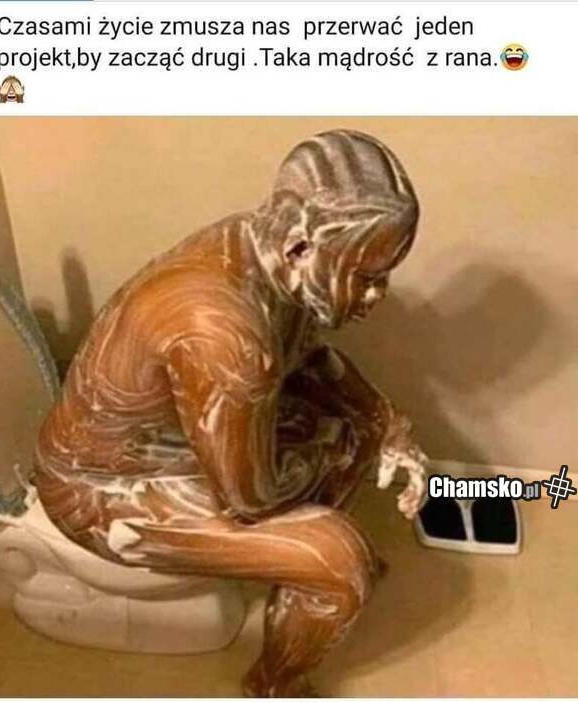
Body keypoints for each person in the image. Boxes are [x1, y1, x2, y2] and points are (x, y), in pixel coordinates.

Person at [35, 129, 427, 697]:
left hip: (157, 443)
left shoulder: (257, 243)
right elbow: (250, 499)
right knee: (340, 561)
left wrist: (387, 425)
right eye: (367, 277)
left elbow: (310, 354)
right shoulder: (229, 337)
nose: (378, 295)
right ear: (299, 249)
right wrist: (328, 456)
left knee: (356, 432)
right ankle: (273, 682)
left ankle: (294, 577)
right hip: (96, 490)